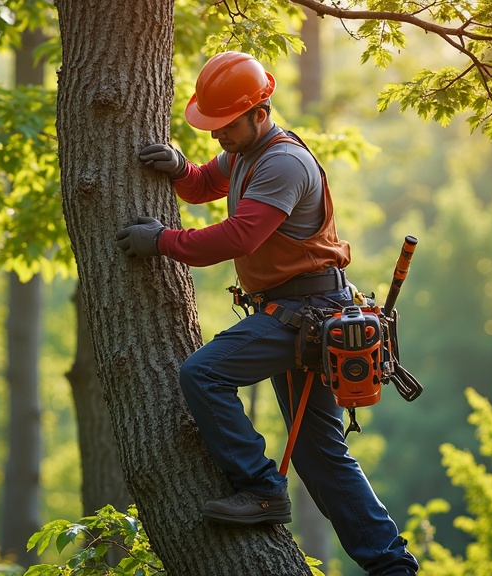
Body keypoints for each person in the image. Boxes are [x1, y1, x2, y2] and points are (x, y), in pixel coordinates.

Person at [115, 51, 418, 575]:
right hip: (301, 313)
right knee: (321, 457)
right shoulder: (246, 152)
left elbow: (239, 235)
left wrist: (161, 240)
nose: (216, 137)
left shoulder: (282, 162)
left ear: (260, 112)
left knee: (203, 373)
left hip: (306, 312)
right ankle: (393, 567)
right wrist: (182, 170)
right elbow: (208, 183)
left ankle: (261, 489)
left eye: (224, 125)